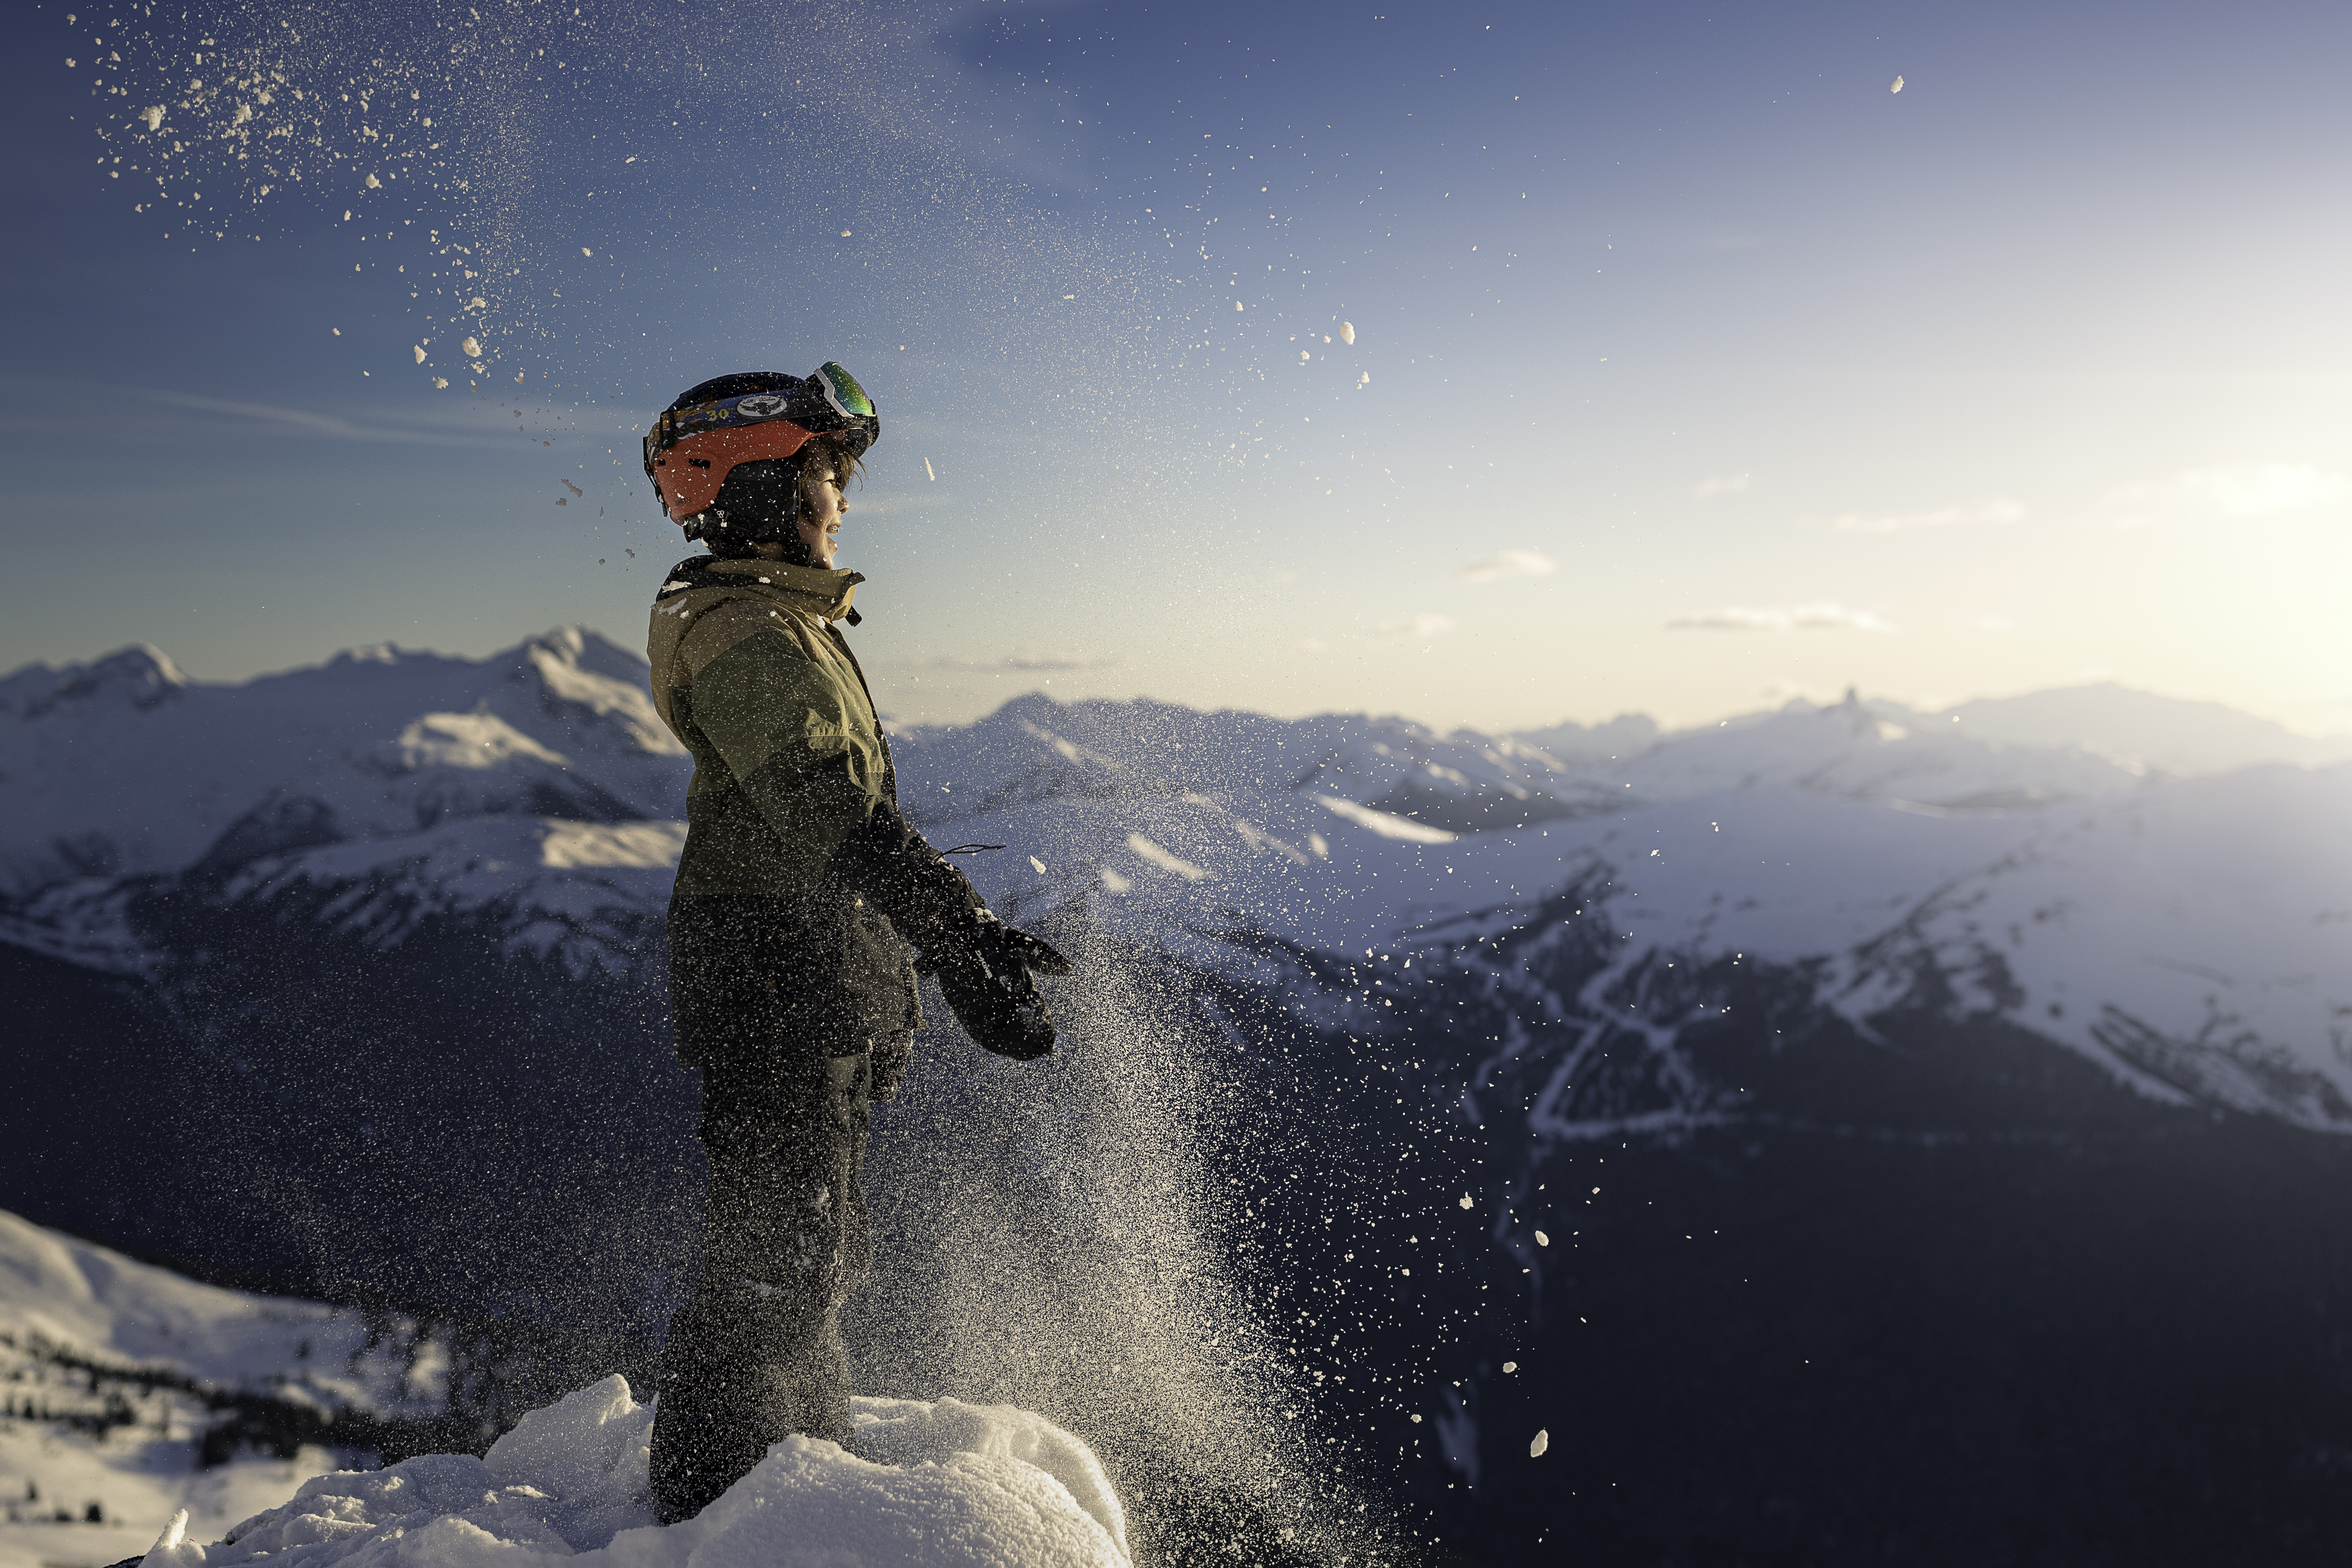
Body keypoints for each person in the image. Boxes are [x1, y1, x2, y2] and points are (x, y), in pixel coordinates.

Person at [637, 364, 1073, 1523]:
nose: (841, 502)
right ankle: (714, 1519)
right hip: (776, 975)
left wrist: (907, 954)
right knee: (774, 1266)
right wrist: (954, 930)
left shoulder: (774, 617)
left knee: (813, 1257)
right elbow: (822, 803)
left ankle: (793, 1484)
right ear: (761, 487)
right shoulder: (743, 629)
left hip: (813, 975)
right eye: (827, 474)